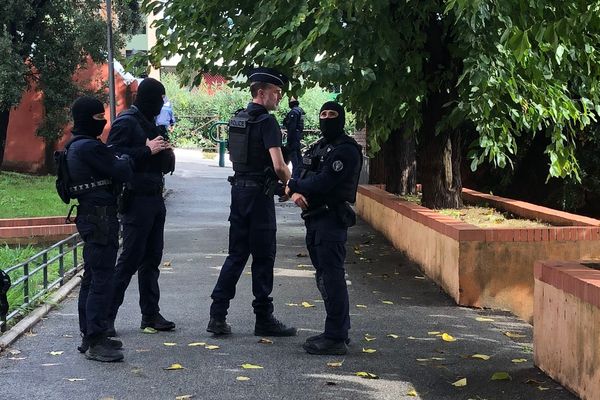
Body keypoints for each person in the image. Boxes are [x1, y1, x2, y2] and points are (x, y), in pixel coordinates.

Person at [206, 67, 296, 337]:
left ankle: (217, 316)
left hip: (239, 193)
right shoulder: (266, 122)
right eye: (276, 93)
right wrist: (292, 185)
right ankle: (263, 318)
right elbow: (279, 166)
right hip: (259, 197)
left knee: (236, 255)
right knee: (264, 256)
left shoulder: (238, 119)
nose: (278, 98)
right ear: (261, 93)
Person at [285, 101, 362, 355]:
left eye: (332, 114)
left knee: (332, 277)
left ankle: (336, 337)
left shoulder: (346, 150)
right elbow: (306, 174)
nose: (326, 118)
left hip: (331, 220)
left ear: (341, 118)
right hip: (315, 219)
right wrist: (296, 186)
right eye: (323, 114)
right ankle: (337, 329)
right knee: (324, 278)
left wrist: (294, 184)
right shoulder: (319, 147)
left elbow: (324, 182)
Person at [106, 78, 176, 335]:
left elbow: (158, 159)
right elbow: (112, 158)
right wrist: (146, 150)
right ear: (148, 99)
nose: (161, 104)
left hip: (155, 198)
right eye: (159, 99)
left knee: (151, 259)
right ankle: (106, 317)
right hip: (136, 200)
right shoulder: (126, 122)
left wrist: (166, 152)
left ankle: (150, 314)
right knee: (129, 260)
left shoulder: (149, 122)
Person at [65, 96, 133, 361]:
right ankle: (95, 340)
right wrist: (124, 157)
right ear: (84, 119)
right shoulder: (89, 148)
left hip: (91, 215)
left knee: (92, 277)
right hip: (100, 217)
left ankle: (91, 334)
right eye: (97, 117)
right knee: (101, 279)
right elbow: (122, 170)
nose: (103, 121)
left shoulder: (75, 145)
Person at [282, 97, 305, 177]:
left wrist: (289, 141)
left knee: (294, 158)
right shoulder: (301, 110)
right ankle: (301, 175)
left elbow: (292, 127)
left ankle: (295, 177)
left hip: (293, 138)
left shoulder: (294, 112)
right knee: (299, 157)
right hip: (298, 136)